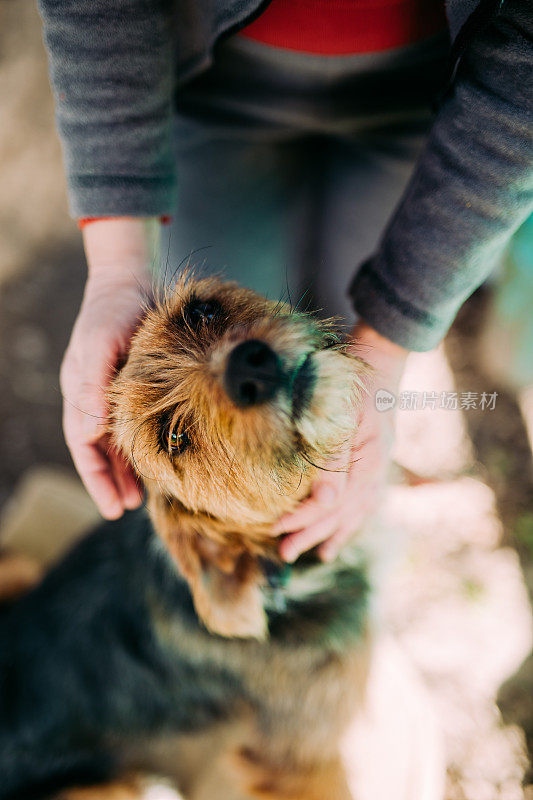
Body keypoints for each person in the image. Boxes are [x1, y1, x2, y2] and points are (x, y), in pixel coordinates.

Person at [38, 0, 532, 563]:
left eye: (199, 315)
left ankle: (347, 461)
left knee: (356, 335)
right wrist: (115, 271)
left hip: (438, 82)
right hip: (210, 82)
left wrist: (391, 337)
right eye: (176, 436)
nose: (235, 362)